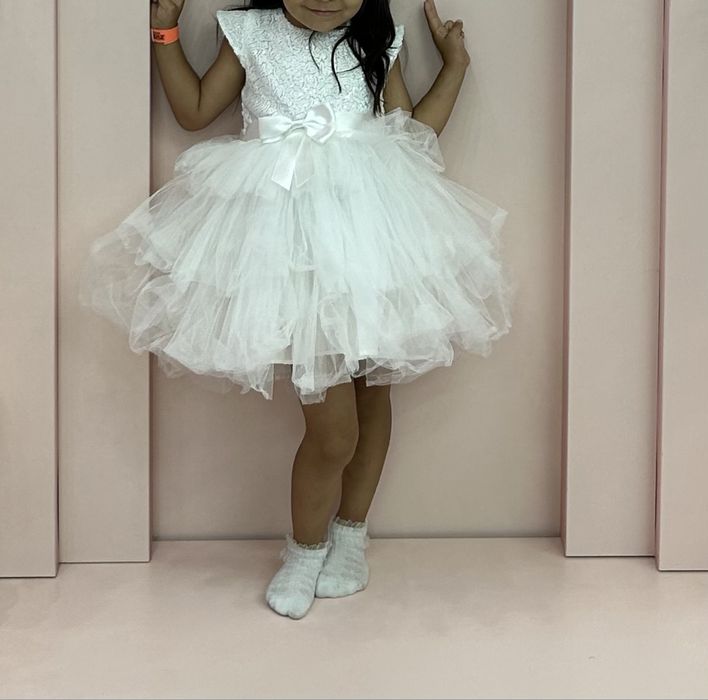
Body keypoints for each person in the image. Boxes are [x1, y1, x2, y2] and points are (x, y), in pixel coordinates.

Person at [78, 0, 516, 619]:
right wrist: (164, 31)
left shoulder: (376, 38)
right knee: (334, 430)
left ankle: (350, 536)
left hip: (371, 233)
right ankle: (305, 550)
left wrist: (455, 66)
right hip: (282, 238)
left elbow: (413, 137)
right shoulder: (251, 31)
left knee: (372, 393)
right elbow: (195, 109)